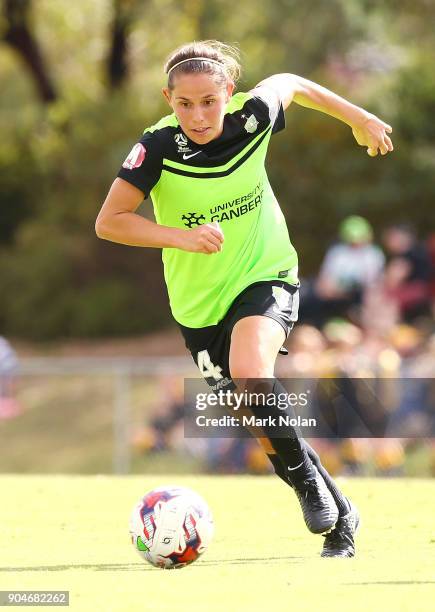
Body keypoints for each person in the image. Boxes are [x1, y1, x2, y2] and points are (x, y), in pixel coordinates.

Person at [96, 40, 393, 557]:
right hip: (198, 306)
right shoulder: (157, 147)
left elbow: (294, 83)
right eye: (184, 104)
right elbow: (110, 222)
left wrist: (358, 116)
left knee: (253, 370)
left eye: (209, 100)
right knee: (259, 417)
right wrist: (181, 236)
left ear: (228, 92)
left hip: (266, 270)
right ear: (168, 98)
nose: (198, 114)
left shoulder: (253, 115)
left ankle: (309, 494)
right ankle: (339, 509)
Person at [301, 215, 385, 327]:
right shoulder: (338, 253)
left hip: (361, 296)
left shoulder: (373, 255)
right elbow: (325, 282)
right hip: (337, 294)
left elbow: (374, 284)